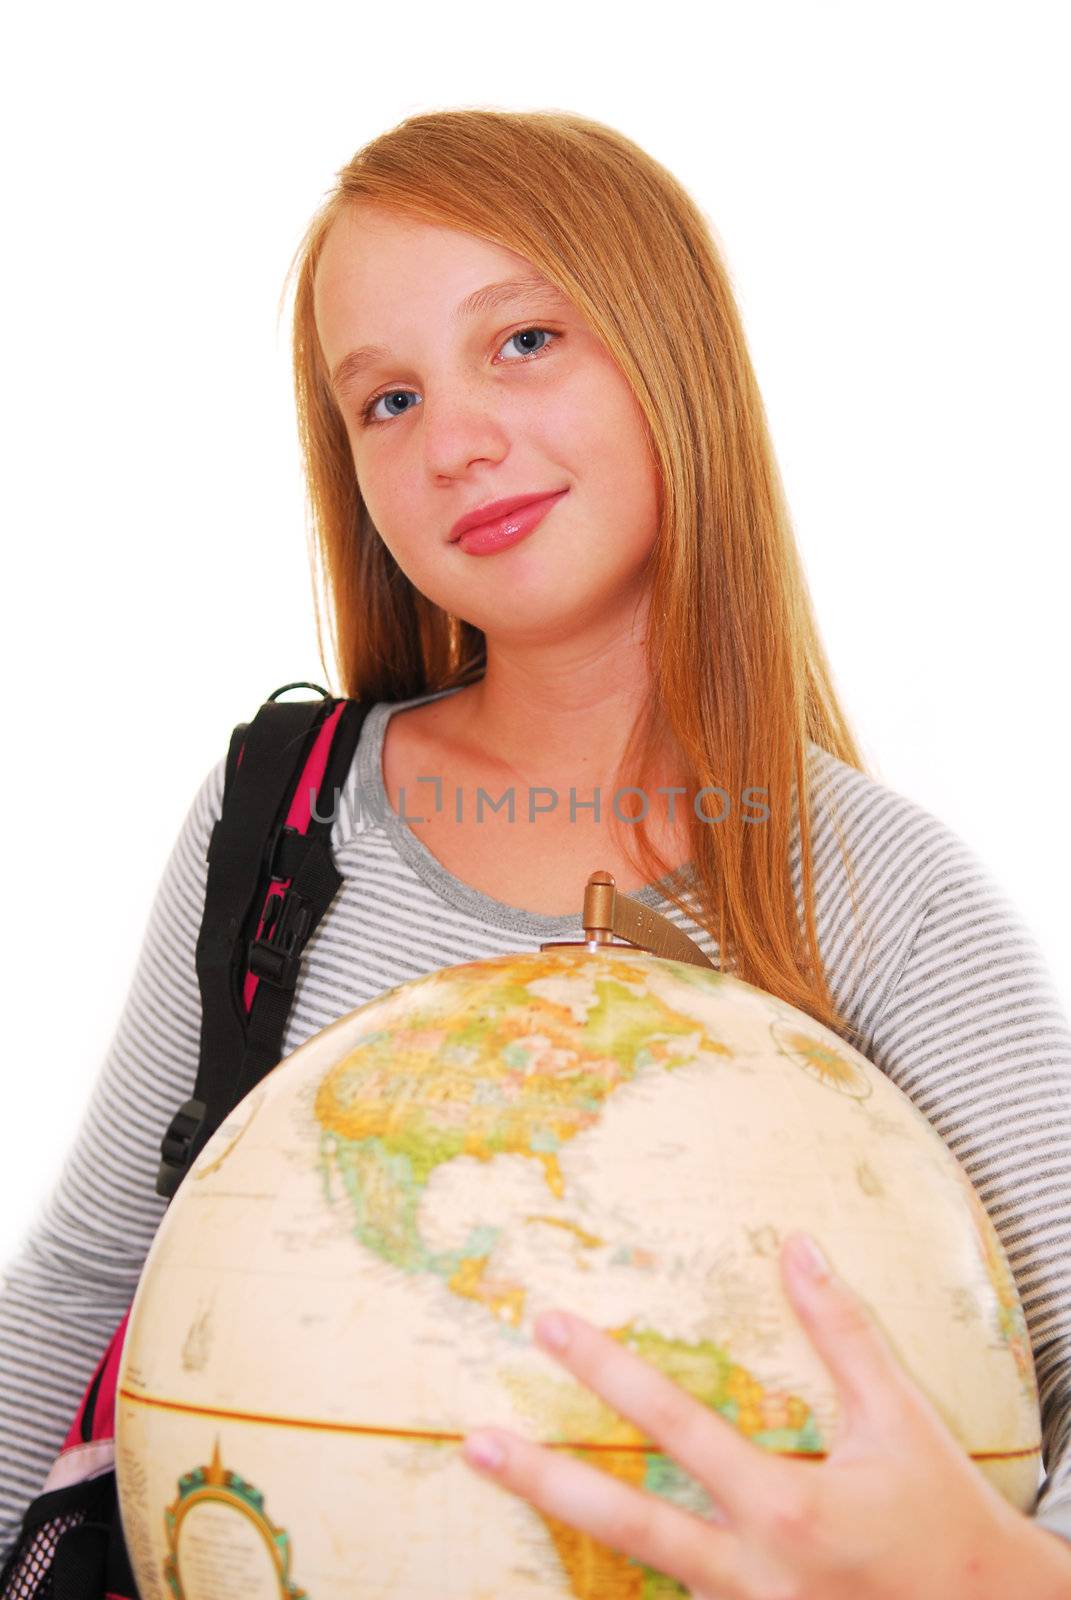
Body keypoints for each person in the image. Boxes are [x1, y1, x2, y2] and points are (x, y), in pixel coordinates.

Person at [2, 108, 1070, 1595]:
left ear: (669, 346)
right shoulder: (280, 820)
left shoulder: (880, 894)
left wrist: (1005, 1578)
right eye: (384, 400)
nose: (457, 440)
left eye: (521, 342)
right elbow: (81, 1282)